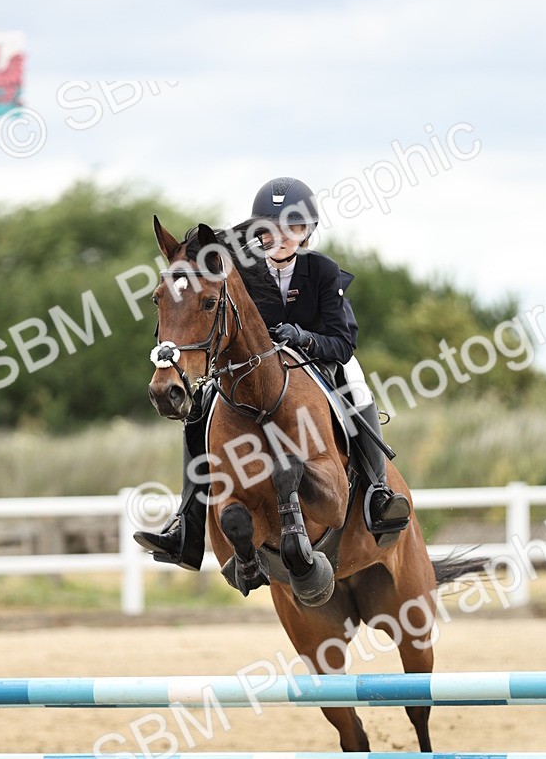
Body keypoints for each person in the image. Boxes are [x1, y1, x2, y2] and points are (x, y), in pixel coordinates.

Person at [135, 177, 410, 569]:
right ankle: (186, 522)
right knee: (200, 412)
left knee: (357, 385)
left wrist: (303, 338)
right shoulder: (242, 272)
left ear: (307, 232)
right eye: (268, 229)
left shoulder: (323, 271)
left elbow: (343, 341)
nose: (280, 238)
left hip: (321, 356)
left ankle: (378, 492)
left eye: (292, 228)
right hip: (257, 367)